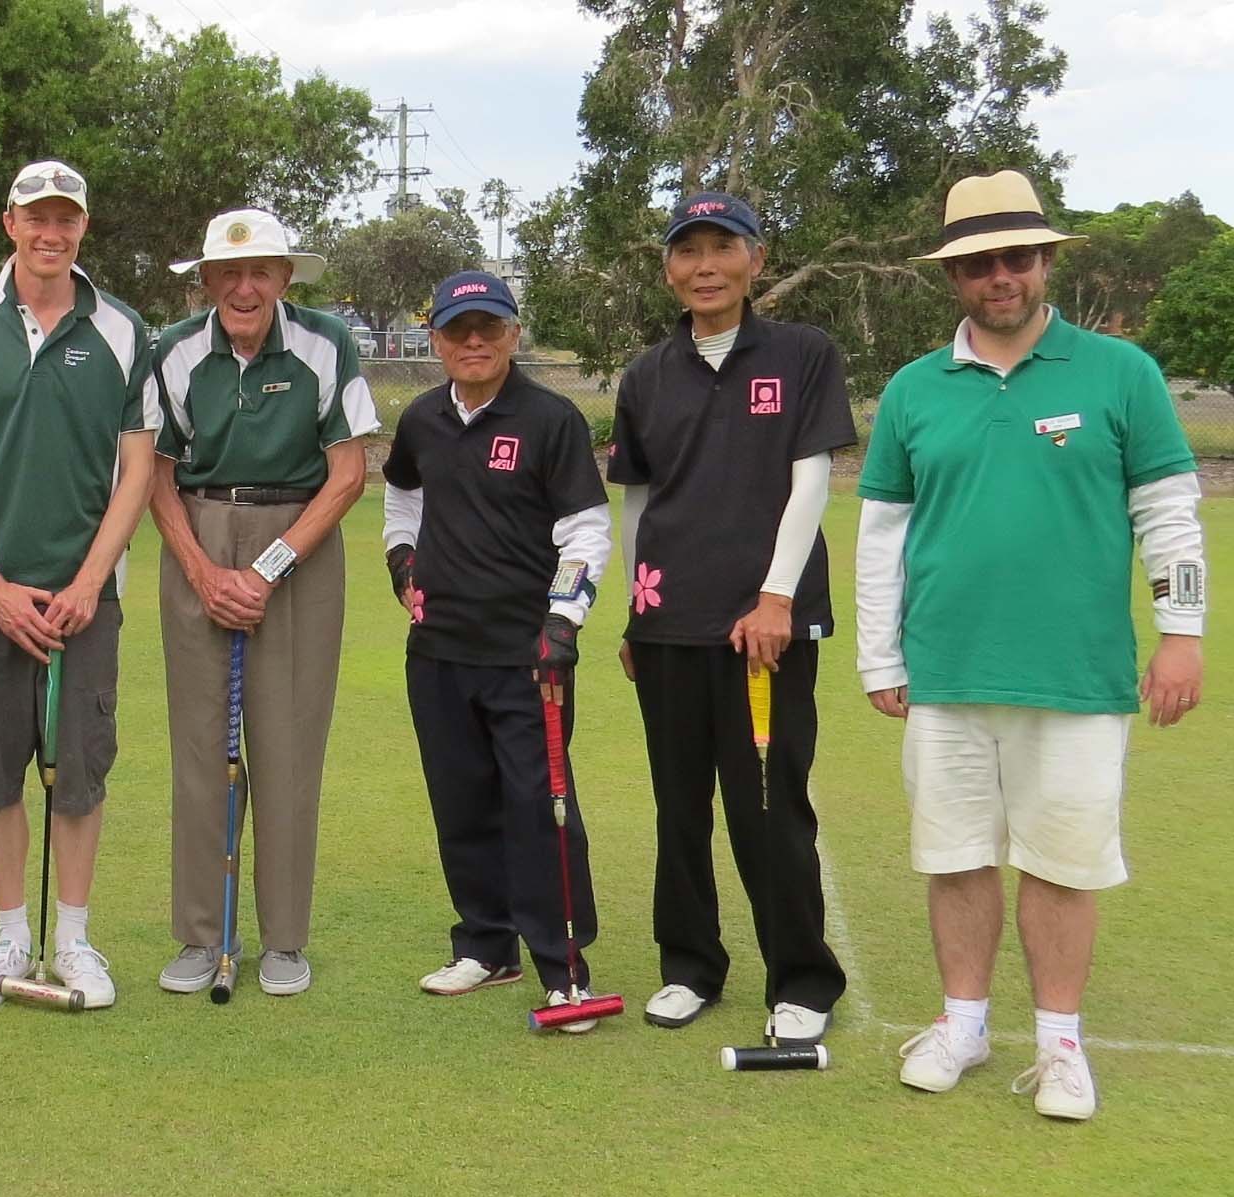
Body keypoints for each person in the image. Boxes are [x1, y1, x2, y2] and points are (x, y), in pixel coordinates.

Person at [858, 169, 1208, 1121]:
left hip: (1077, 675)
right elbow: (883, 533)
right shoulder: (912, 390)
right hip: (947, 671)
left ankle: (1059, 1046)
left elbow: (1169, 512)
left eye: (1016, 256)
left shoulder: (1120, 374)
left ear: (1047, 261)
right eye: (978, 261)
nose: (999, 275)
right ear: (955, 276)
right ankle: (964, 1024)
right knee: (957, 854)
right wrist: (879, 658)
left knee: (1062, 862)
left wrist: (1182, 633)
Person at [607, 191, 856, 1043]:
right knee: (679, 806)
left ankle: (803, 976)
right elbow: (639, 499)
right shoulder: (645, 375)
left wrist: (777, 593)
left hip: (767, 630)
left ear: (756, 258)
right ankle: (689, 966)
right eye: (688, 251)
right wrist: (637, 614)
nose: (704, 266)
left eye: (723, 247)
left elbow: (811, 477)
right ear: (670, 268)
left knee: (768, 805)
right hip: (669, 624)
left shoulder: (803, 353)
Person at [0, 160, 159, 1010]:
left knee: (80, 769)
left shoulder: (125, 332)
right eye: (35, 217)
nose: (50, 232)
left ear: (82, 228)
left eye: (66, 218)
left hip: (86, 595)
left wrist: (92, 579)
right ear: (9, 225)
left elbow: (137, 471)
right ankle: (12, 934)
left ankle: (75, 939)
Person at [148, 208, 378, 998]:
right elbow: (156, 475)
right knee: (201, 749)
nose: (245, 287)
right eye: (229, 273)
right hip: (199, 535)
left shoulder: (325, 343)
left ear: (285, 278)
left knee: (285, 748)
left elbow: (348, 471)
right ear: (207, 281)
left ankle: (283, 940)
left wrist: (268, 567)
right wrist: (206, 572)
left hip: (299, 545)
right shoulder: (171, 352)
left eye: (262, 272)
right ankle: (200, 934)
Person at [380, 271, 612, 1019]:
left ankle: (560, 958)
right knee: (461, 801)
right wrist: (401, 559)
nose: (472, 341)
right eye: (457, 330)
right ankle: (485, 945)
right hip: (440, 649)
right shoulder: (420, 420)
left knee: (538, 802)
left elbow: (585, 530)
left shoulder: (551, 419)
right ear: (436, 338)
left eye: (488, 327)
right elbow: (402, 496)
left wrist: (563, 621)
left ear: (515, 334)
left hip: (527, 655)